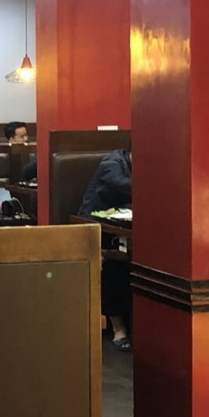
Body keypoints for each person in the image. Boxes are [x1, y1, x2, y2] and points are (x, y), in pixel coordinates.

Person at [78, 148, 133, 351]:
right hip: (95, 224)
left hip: (124, 225)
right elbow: (120, 184)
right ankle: (119, 328)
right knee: (115, 264)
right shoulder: (112, 162)